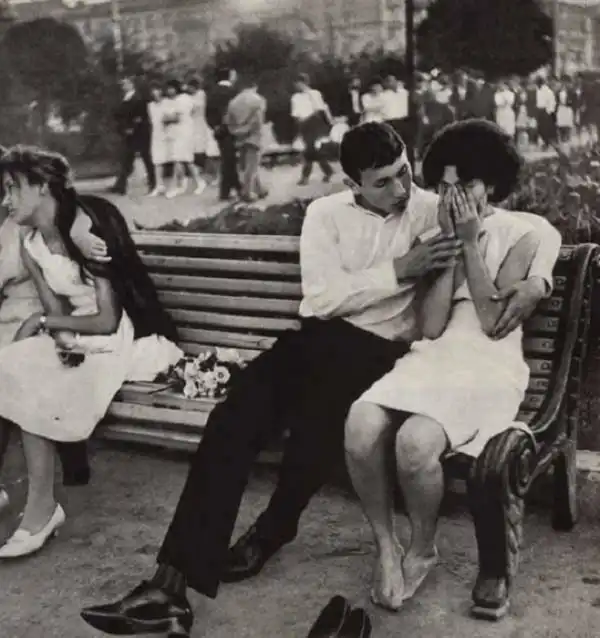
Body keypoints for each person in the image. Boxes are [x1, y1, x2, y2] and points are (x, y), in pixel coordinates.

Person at [80, 121, 560, 637]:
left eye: (404, 173)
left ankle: (271, 531)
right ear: (352, 183)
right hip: (315, 338)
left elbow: (529, 227)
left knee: (319, 426)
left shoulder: (433, 208)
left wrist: (539, 279)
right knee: (230, 421)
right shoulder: (324, 215)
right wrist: (400, 269)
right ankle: (169, 588)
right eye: (383, 182)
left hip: (379, 354)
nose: (401, 189)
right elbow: (321, 298)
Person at [344, 119, 561, 611]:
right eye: (444, 187)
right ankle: (386, 546)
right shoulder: (437, 234)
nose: (453, 196)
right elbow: (431, 327)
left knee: (415, 442)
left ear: (493, 184)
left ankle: (422, 548)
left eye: (466, 184)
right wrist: (449, 251)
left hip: (487, 363)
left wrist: (469, 243)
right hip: (437, 356)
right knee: (360, 422)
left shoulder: (523, 234)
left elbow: (492, 321)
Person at [0, 146, 178, 559]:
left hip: (115, 339)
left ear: (42, 186)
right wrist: (56, 334)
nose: (6, 200)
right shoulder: (30, 242)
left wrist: (45, 325)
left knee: (33, 376)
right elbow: (55, 308)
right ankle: (41, 508)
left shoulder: (89, 231)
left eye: (12, 188)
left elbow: (108, 320)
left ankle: (41, 511)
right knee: (11, 364)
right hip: (77, 333)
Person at [0, 146, 118, 489]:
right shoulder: (23, 224)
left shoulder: (23, 225)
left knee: (16, 365)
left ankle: (59, 473)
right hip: (38, 315)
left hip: (41, 311)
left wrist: (81, 228)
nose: (7, 197)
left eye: (10, 188)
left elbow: (71, 204)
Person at [224, 72, 269, 203]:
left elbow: (228, 121)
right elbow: (258, 120)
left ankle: (259, 189)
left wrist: (236, 131)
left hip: (239, 136)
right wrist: (251, 129)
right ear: (254, 86)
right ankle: (247, 192)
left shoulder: (233, 102)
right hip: (254, 135)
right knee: (252, 165)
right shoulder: (258, 99)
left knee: (247, 164)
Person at [110, 76, 155, 196]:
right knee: (127, 158)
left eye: (125, 83)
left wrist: (131, 128)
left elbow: (140, 116)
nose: (123, 86)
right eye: (122, 84)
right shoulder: (125, 98)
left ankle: (153, 183)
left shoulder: (138, 98)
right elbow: (119, 114)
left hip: (140, 132)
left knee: (146, 157)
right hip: (130, 132)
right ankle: (120, 185)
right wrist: (124, 128)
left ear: (131, 84)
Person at [291, 73, 334, 186]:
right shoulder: (295, 97)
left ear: (304, 83)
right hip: (303, 125)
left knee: (310, 150)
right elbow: (295, 113)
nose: (296, 85)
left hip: (314, 123)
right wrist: (300, 124)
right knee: (312, 150)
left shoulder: (315, 93)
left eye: (298, 83)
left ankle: (305, 177)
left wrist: (313, 121)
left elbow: (319, 109)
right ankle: (328, 171)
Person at [206, 68, 241, 202]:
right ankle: (227, 191)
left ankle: (235, 188)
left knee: (228, 159)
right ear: (229, 76)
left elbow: (207, 113)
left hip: (219, 131)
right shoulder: (233, 92)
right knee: (229, 161)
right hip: (232, 129)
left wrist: (215, 126)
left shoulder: (212, 92)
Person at [147, 83, 168, 197]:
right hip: (157, 134)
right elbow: (152, 121)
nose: (155, 93)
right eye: (153, 91)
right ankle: (159, 185)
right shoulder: (150, 106)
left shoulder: (166, 103)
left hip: (169, 133)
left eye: (157, 90)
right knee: (157, 160)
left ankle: (178, 184)